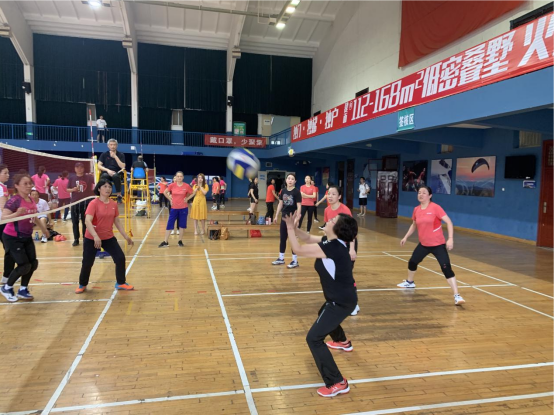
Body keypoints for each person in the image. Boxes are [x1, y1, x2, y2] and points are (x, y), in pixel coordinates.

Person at [283, 213, 358, 398]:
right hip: (342, 298)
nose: (329, 220)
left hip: (340, 302)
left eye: (333, 221)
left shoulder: (333, 248)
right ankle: (342, 341)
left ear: (338, 229)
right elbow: (308, 238)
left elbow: (298, 249)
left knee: (314, 339)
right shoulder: (331, 242)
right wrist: (295, 228)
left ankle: (337, 382)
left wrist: (290, 228)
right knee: (322, 312)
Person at [398, 186, 465, 306]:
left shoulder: (435, 208)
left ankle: (457, 295)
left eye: (424, 193)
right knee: (412, 262)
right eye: (419, 192)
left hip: (438, 245)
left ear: (430, 196)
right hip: (424, 244)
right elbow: (414, 225)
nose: (421, 194)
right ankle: (410, 282)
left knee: (446, 268)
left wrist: (450, 239)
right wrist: (405, 237)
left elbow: (449, 222)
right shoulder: (416, 209)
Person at [75, 178, 134, 294]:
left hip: (108, 237)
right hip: (92, 238)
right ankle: (82, 284)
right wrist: (95, 236)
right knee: (87, 262)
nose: (108, 189)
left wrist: (126, 236)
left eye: (110, 187)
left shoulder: (113, 204)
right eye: (105, 186)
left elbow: (117, 222)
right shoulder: (93, 204)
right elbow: (87, 221)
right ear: (99, 189)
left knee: (120, 258)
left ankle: (120, 282)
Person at [1, 174, 50, 302]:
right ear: (17, 186)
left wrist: (44, 229)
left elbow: (35, 216)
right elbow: (3, 218)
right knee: (24, 265)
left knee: (33, 263)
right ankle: (6, 287)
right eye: (25, 184)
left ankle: (23, 289)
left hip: (26, 236)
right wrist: (17, 213)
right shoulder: (14, 201)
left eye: (30, 183)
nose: (29, 186)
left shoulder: (31, 199)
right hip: (13, 237)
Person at [325, 185, 360, 316]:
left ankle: (354, 303)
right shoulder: (327, 210)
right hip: (336, 245)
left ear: (339, 196)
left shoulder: (345, 210)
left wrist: (352, 249)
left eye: (334, 194)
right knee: (336, 275)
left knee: (347, 276)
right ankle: (340, 300)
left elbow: (352, 231)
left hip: (348, 244)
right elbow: (328, 229)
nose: (330, 196)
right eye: (329, 193)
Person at [272, 174, 302, 269]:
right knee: (283, 238)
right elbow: (280, 204)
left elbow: (299, 206)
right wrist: (276, 215)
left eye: (292, 179)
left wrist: (297, 219)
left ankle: (295, 261)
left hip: (292, 218)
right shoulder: (283, 191)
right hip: (284, 218)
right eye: (289, 178)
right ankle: (281, 258)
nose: (290, 180)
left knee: (292, 239)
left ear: (295, 181)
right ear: (286, 180)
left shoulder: (297, 192)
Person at [159, 171, 193, 248]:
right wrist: (170, 199)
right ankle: (165, 241)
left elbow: (193, 192)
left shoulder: (186, 186)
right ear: (176, 177)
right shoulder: (172, 185)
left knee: (182, 225)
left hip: (183, 208)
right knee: (170, 224)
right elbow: (165, 192)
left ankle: (180, 241)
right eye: (178, 176)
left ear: (183, 177)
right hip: (174, 208)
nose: (179, 178)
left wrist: (187, 198)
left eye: (180, 176)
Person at [68, 162, 96, 247]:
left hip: (86, 203)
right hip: (75, 202)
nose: (79, 169)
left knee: (85, 222)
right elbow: (67, 189)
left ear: (83, 168)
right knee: (75, 222)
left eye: (81, 167)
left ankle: (85, 238)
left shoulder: (89, 177)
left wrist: (95, 175)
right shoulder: (72, 178)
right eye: (77, 167)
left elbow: (96, 182)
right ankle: (76, 239)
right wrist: (73, 189)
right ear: (75, 169)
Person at [0, 164, 15, 285]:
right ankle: (7, 276)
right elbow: (3, 208)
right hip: (2, 223)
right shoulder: (2, 188)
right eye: (5, 173)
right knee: (10, 249)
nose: (8, 175)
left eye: (8, 173)